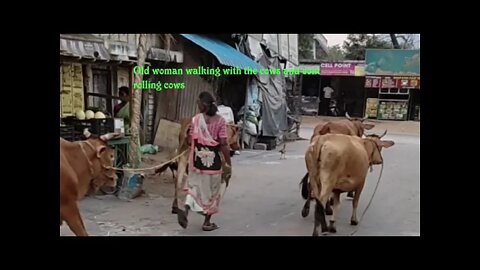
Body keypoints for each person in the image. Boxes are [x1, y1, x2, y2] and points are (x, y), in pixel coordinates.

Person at [176, 91, 232, 231]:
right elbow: (224, 143)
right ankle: (207, 222)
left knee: (194, 187)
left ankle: (186, 209)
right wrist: (228, 161)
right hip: (213, 163)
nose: (197, 106)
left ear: (205, 106)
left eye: (198, 103)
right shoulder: (220, 121)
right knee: (213, 191)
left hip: (197, 161)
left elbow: (190, 142)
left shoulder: (195, 120)